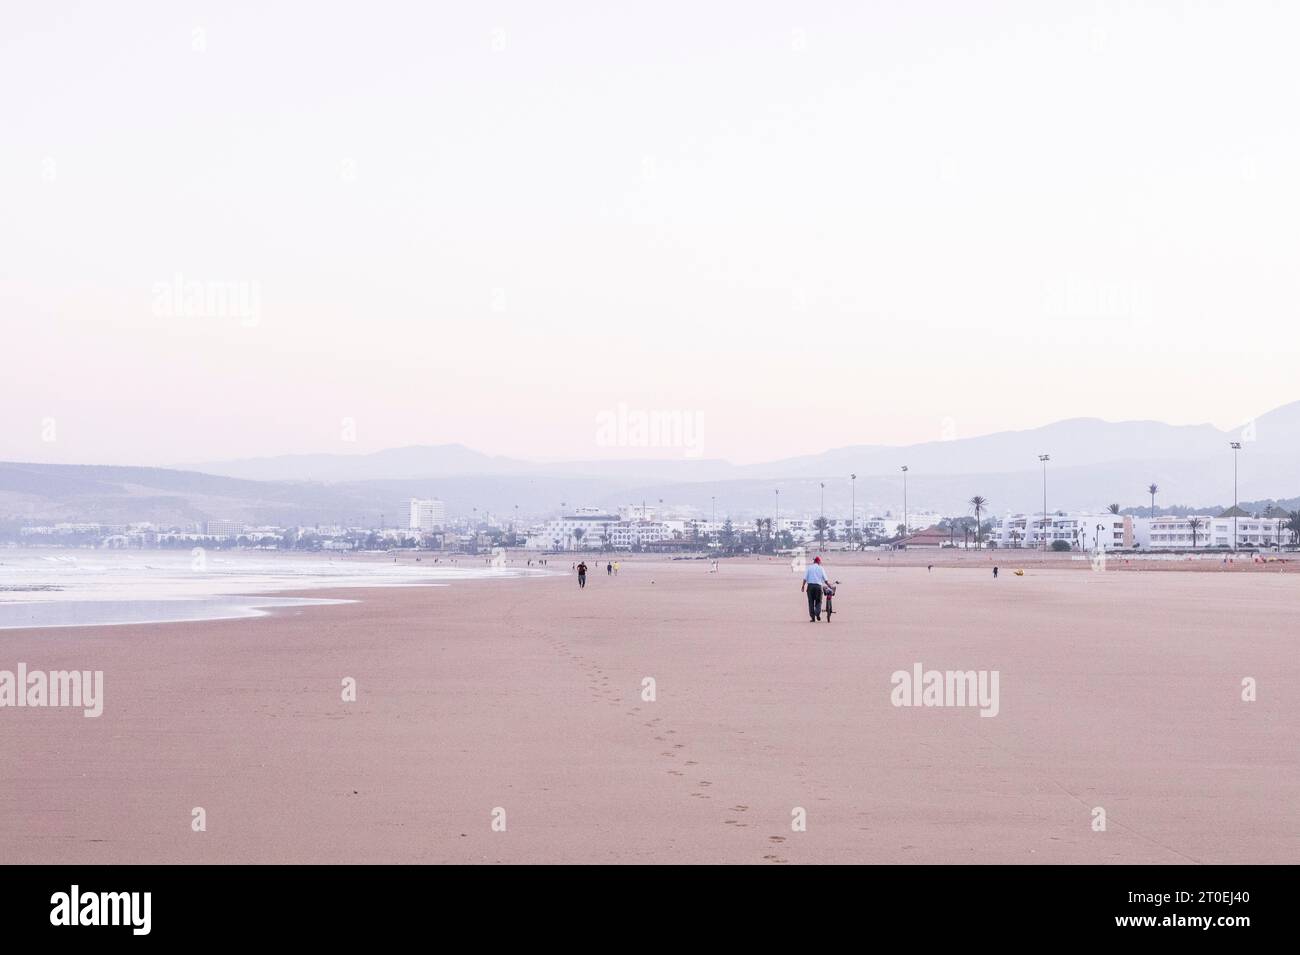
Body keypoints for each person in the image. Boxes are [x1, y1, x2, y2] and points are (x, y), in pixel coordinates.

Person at [801, 556, 830, 621]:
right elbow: (825, 579)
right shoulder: (821, 568)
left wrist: (803, 586)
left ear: (814, 561)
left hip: (810, 586)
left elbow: (805, 578)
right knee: (818, 601)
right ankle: (817, 613)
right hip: (818, 587)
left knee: (811, 602)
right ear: (818, 562)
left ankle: (813, 617)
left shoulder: (809, 568)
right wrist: (829, 585)